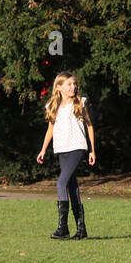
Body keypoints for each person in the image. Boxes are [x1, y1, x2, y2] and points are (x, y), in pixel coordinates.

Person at [35, 72, 96, 240]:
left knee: (60, 183)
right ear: (59, 87)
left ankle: (63, 228)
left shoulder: (80, 103)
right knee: (71, 187)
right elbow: (50, 130)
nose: (73, 87)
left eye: (74, 84)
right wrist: (43, 149)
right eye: (69, 84)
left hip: (77, 147)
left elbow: (89, 127)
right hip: (61, 149)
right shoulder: (52, 106)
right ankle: (81, 231)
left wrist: (92, 150)